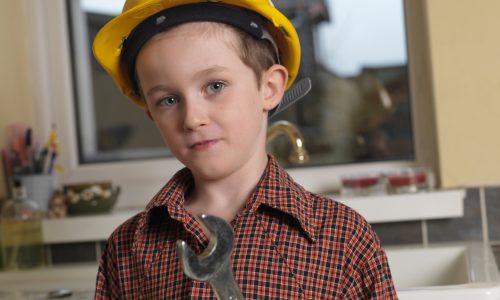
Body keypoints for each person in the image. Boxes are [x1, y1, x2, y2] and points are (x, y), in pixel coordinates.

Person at [92, 0, 397, 298]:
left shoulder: (342, 238)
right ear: (151, 115)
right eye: (168, 100)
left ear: (269, 88)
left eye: (215, 86)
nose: (193, 119)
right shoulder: (127, 248)